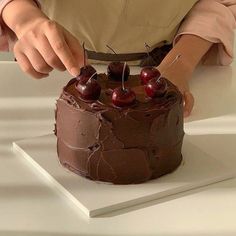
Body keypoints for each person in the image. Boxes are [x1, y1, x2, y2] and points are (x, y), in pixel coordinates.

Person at [0, 0, 235, 117]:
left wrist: (180, 63)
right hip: (50, 66)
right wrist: (24, 18)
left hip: (173, 63)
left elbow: (220, 2)